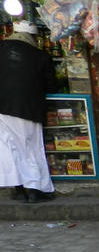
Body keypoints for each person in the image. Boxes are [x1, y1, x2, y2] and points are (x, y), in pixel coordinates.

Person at [0, 20, 57, 203]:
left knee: (9, 149)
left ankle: (18, 191)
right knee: (31, 148)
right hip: (28, 108)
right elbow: (52, 85)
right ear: (32, 37)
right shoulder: (40, 56)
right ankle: (34, 190)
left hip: (2, 107)